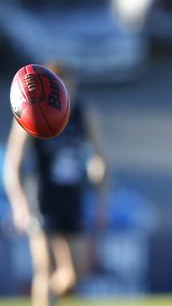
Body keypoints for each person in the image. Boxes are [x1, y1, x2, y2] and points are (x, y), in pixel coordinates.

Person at [3, 61, 108, 306]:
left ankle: (48, 297)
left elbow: (101, 157)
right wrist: (19, 204)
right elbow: (14, 162)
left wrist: (102, 198)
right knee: (44, 267)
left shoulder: (84, 113)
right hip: (42, 196)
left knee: (76, 274)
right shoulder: (33, 110)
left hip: (72, 196)